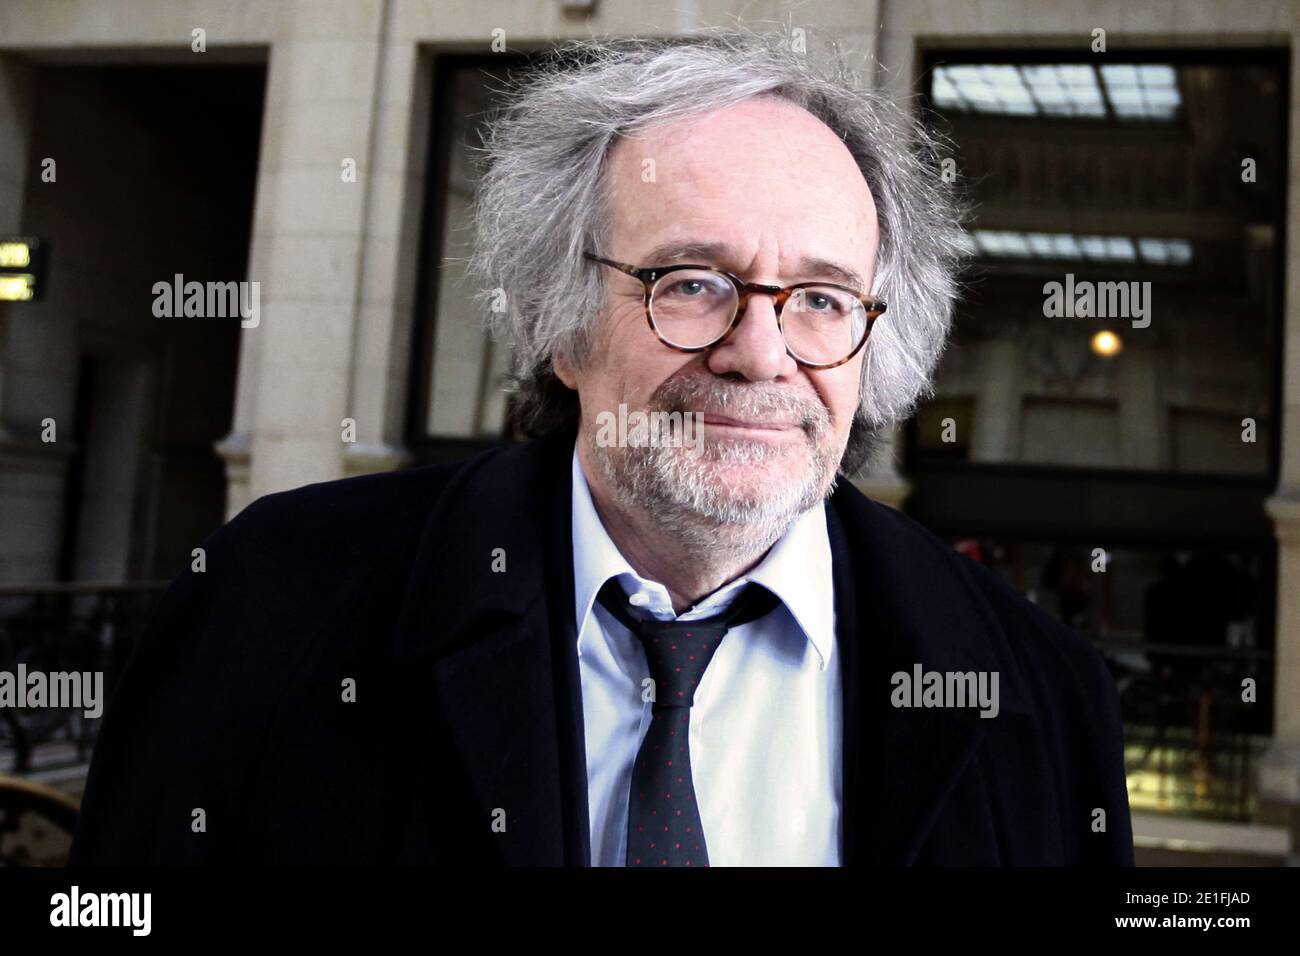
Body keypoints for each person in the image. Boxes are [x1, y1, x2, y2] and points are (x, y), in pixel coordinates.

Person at [69, 30, 1133, 866]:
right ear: (562, 322)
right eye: (690, 282)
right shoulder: (272, 604)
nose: (758, 354)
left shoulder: (1035, 689)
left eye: (818, 298)